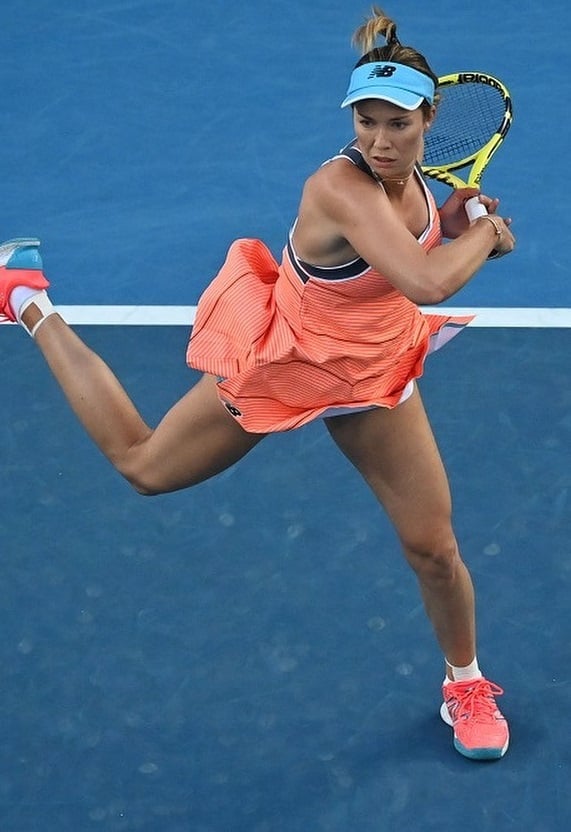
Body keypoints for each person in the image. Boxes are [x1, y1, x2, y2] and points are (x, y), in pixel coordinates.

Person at [0, 6, 515, 760]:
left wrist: (456, 223)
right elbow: (428, 282)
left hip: (374, 375)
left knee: (433, 547)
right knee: (144, 467)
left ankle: (465, 683)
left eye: (397, 124)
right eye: (365, 121)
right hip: (286, 368)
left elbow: (423, 247)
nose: (378, 140)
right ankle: (27, 300)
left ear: (429, 119)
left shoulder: (411, 186)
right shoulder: (339, 186)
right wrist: (487, 234)